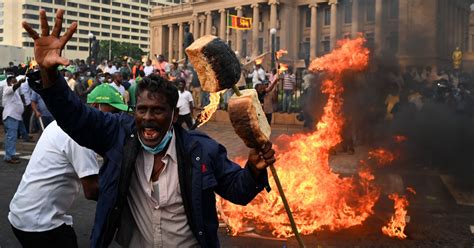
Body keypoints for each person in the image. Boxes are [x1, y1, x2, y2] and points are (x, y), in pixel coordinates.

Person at [23, 9, 276, 247]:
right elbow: (75, 117)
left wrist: (254, 168)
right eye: (142, 109)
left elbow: (238, 191)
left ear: (175, 115)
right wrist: (50, 77)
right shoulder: (118, 135)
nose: (147, 118)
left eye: (157, 111)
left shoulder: (202, 150)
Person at [8, 83, 129, 248]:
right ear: (95, 106)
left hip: (23, 214)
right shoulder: (79, 137)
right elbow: (92, 190)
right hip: (40, 223)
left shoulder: (65, 124)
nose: (115, 119)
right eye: (113, 112)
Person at [2, 75, 25, 164]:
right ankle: (9, 156)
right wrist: (19, 82)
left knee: (10, 137)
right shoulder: (7, 89)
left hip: (14, 116)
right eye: (14, 81)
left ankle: (9, 155)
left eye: (16, 80)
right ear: (9, 82)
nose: (15, 82)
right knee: (11, 137)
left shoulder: (15, 92)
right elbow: (15, 86)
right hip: (11, 116)